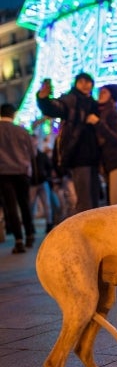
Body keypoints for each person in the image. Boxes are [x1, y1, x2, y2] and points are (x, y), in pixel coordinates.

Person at [37, 73, 101, 213]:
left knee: (95, 198)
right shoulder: (71, 99)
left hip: (94, 156)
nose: (85, 84)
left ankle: (95, 228)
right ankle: (84, 230)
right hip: (79, 155)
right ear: (76, 84)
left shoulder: (93, 103)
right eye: (81, 81)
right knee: (85, 200)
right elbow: (55, 107)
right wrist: (43, 99)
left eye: (88, 81)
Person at [87, 84, 117, 204]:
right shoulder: (104, 113)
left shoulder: (113, 114)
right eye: (100, 92)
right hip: (114, 163)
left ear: (111, 97)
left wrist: (98, 123)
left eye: (104, 93)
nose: (100, 94)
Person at [0, 103, 36, 253]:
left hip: (3, 173)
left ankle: (18, 241)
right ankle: (29, 235)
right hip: (22, 171)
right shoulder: (22, 131)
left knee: (11, 207)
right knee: (24, 203)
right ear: (13, 114)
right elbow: (32, 153)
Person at [29, 135, 55, 233]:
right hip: (32, 184)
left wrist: (46, 176)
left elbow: (49, 167)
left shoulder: (42, 155)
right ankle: (30, 226)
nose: (33, 143)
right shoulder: (28, 156)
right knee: (31, 205)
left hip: (43, 182)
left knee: (47, 204)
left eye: (34, 141)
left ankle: (49, 224)